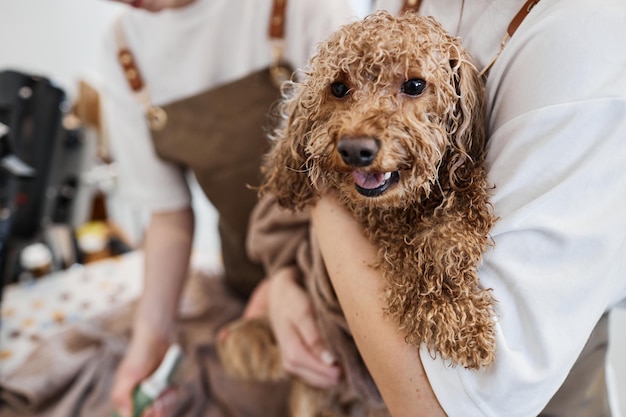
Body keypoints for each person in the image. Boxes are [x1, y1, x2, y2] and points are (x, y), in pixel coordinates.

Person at [264, 0, 626, 416]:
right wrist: (279, 285)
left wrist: (323, 195)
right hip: (335, 372)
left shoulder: (589, 44)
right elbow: (292, 180)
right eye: (342, 91)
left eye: (413, 87)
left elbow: (456, 402)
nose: (358, 131)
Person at [97, 0, 361, 416]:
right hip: (244, 285)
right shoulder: (123, 47)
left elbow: (360, 178)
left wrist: (288, 280)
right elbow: (169, 218)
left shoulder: (305, 8)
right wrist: (150, 341)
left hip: (345, 280)